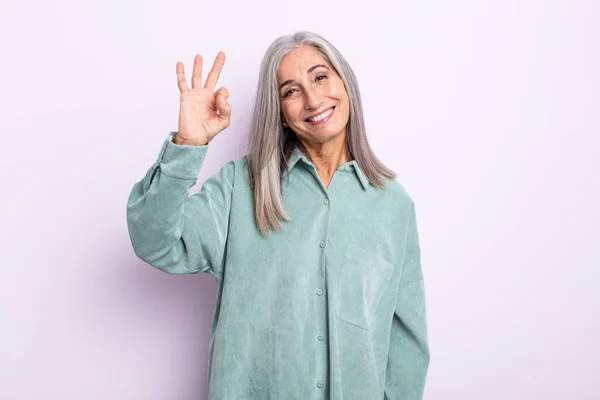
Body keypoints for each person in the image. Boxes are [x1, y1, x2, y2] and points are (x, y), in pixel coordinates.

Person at [126, 31, 429, 400]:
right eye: (290, 91)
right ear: (281, 114)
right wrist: (188, 145)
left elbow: (406, 341)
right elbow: (155, 242)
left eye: (320, 77)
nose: (313, 98)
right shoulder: (240, 185)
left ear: (345, 84)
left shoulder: (394, 205)